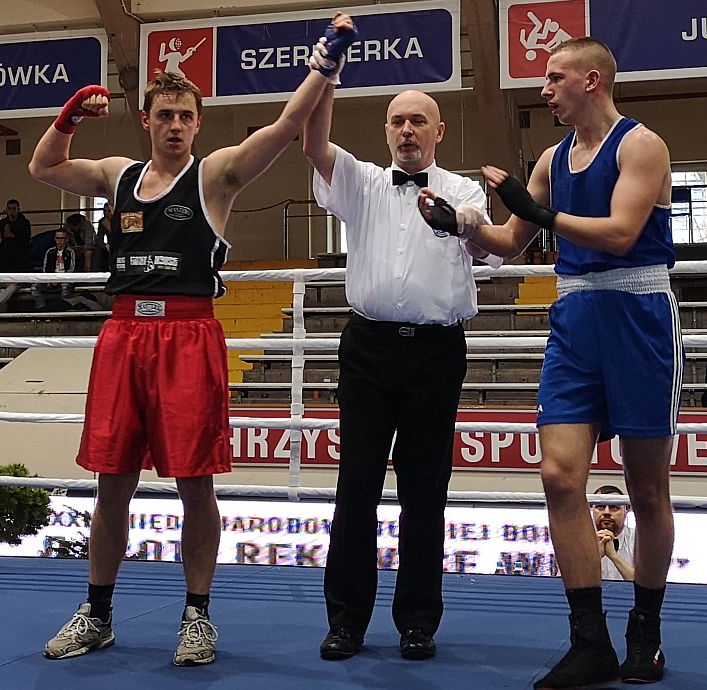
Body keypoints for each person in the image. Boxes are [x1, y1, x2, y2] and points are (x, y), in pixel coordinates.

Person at [29, 14, 357, 667]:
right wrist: (67, 117)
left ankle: (197, 616)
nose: (175, 124)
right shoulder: (117, 174)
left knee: (195, 483)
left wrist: (326, 61)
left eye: (185, 115)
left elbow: (286, 128)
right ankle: (97, 613)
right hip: (123, 334)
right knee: (111, 482)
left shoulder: (216, 177)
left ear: (197, 124)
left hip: (187, 336)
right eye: (165, 114)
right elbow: (43, 167)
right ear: (146, 121)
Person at [422, 37, 681, 688]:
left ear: (591, 81)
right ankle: (587, 640)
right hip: (574, 320)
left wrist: (543, 213)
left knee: (646, 489)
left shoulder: (641, 145)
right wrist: (459, 224)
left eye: (554, 77)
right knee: (560, 476)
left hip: (638, 315)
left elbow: (622, 232)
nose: (544, 89)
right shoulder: (549, 159)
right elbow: (511, 242)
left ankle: (644, 634)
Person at [303, 37, 501, 662]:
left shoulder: (464, 189)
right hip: (367, 349)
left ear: (438, 130)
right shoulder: (358, 179)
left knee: (426, 490)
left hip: (436, 353)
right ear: (385, 131)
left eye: (418, 120)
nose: (407, 129)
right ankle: (347, 622)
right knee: (354, 487)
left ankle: (418, 621)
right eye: (397, 120)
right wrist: (328, 74)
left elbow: (486, 246)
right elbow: (312, 142)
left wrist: (464, 223)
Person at [30, 228, 100, 311]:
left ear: (66, 239)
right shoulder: (50, 251)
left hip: (65, 279)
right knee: (34, 287)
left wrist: (59, 280)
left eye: (62, 238)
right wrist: (49, 279)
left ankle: (63, 309)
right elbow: (45, 268)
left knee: (65, 287)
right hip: (50, 279)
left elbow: (71, 268)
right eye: (57, 238)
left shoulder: (70, 252)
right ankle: (42, 309)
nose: (59, 241)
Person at [591, 484, 634, 582]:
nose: (606, 512)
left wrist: (614, 556)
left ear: (626, 511)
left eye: (614, 507)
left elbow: (647, 586)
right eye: (600, 506)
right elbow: (560, 583)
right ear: (592, 510)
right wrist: (594, 558)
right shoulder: (577, 540)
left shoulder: (640, 540)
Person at [93, 202, 112, 272]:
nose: (106, 213)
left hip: (118, 244)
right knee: (97, 249)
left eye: (109, 211)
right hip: (108, 245)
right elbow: (99, 237)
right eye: (104, 211)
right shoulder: (102, 222)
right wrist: (105, 245)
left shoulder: (118, 220)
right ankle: (96, 273)